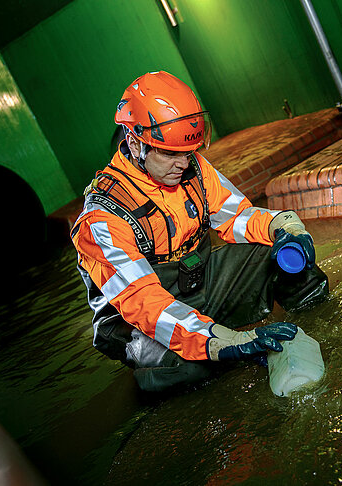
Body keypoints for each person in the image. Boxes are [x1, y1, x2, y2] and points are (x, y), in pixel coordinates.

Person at [71, 71, 329, 392]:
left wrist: (282, 226)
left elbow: (238, 218)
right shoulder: (102, 218)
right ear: (135, 141)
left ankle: (326, 324)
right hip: (141, 324)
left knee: (276, 250)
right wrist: (225, 341)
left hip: (197, 290)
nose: (182, 164)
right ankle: (177, 370)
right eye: (169, 153)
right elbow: (147, 304)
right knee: (191, 369)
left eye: (187, 152)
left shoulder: (192, 168)